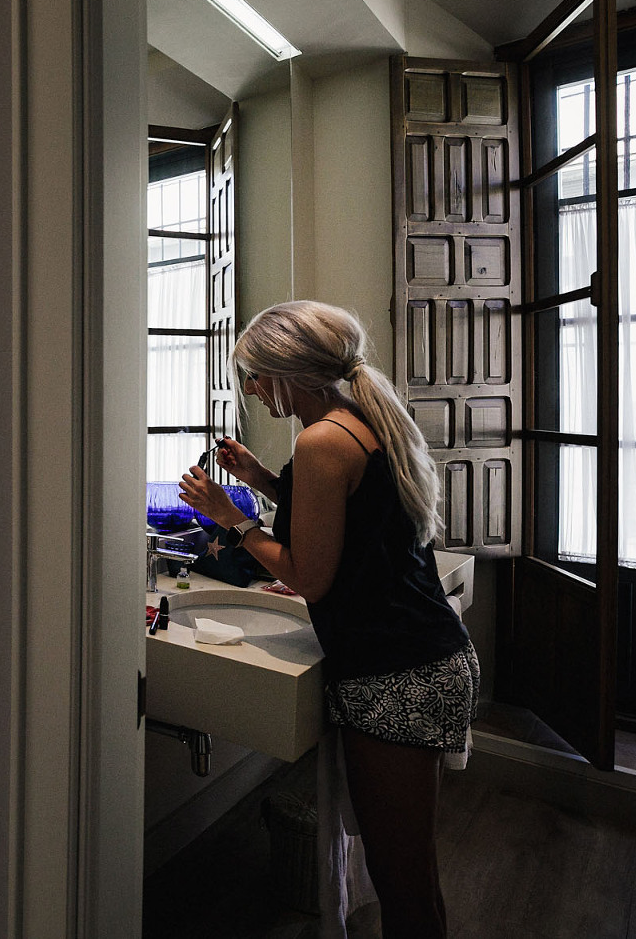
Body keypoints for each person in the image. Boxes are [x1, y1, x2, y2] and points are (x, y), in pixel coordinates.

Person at [177, 300, 476, 939]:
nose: (252, 390)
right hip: (426, 658)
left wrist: (233, 520)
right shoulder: (361, 422)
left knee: (404, 883)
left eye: (256, 375)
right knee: (413, 871)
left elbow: (308, 575)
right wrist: (257, 477)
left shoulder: (319, 442)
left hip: (398, 675)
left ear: (291, 373)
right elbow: (344, 516)